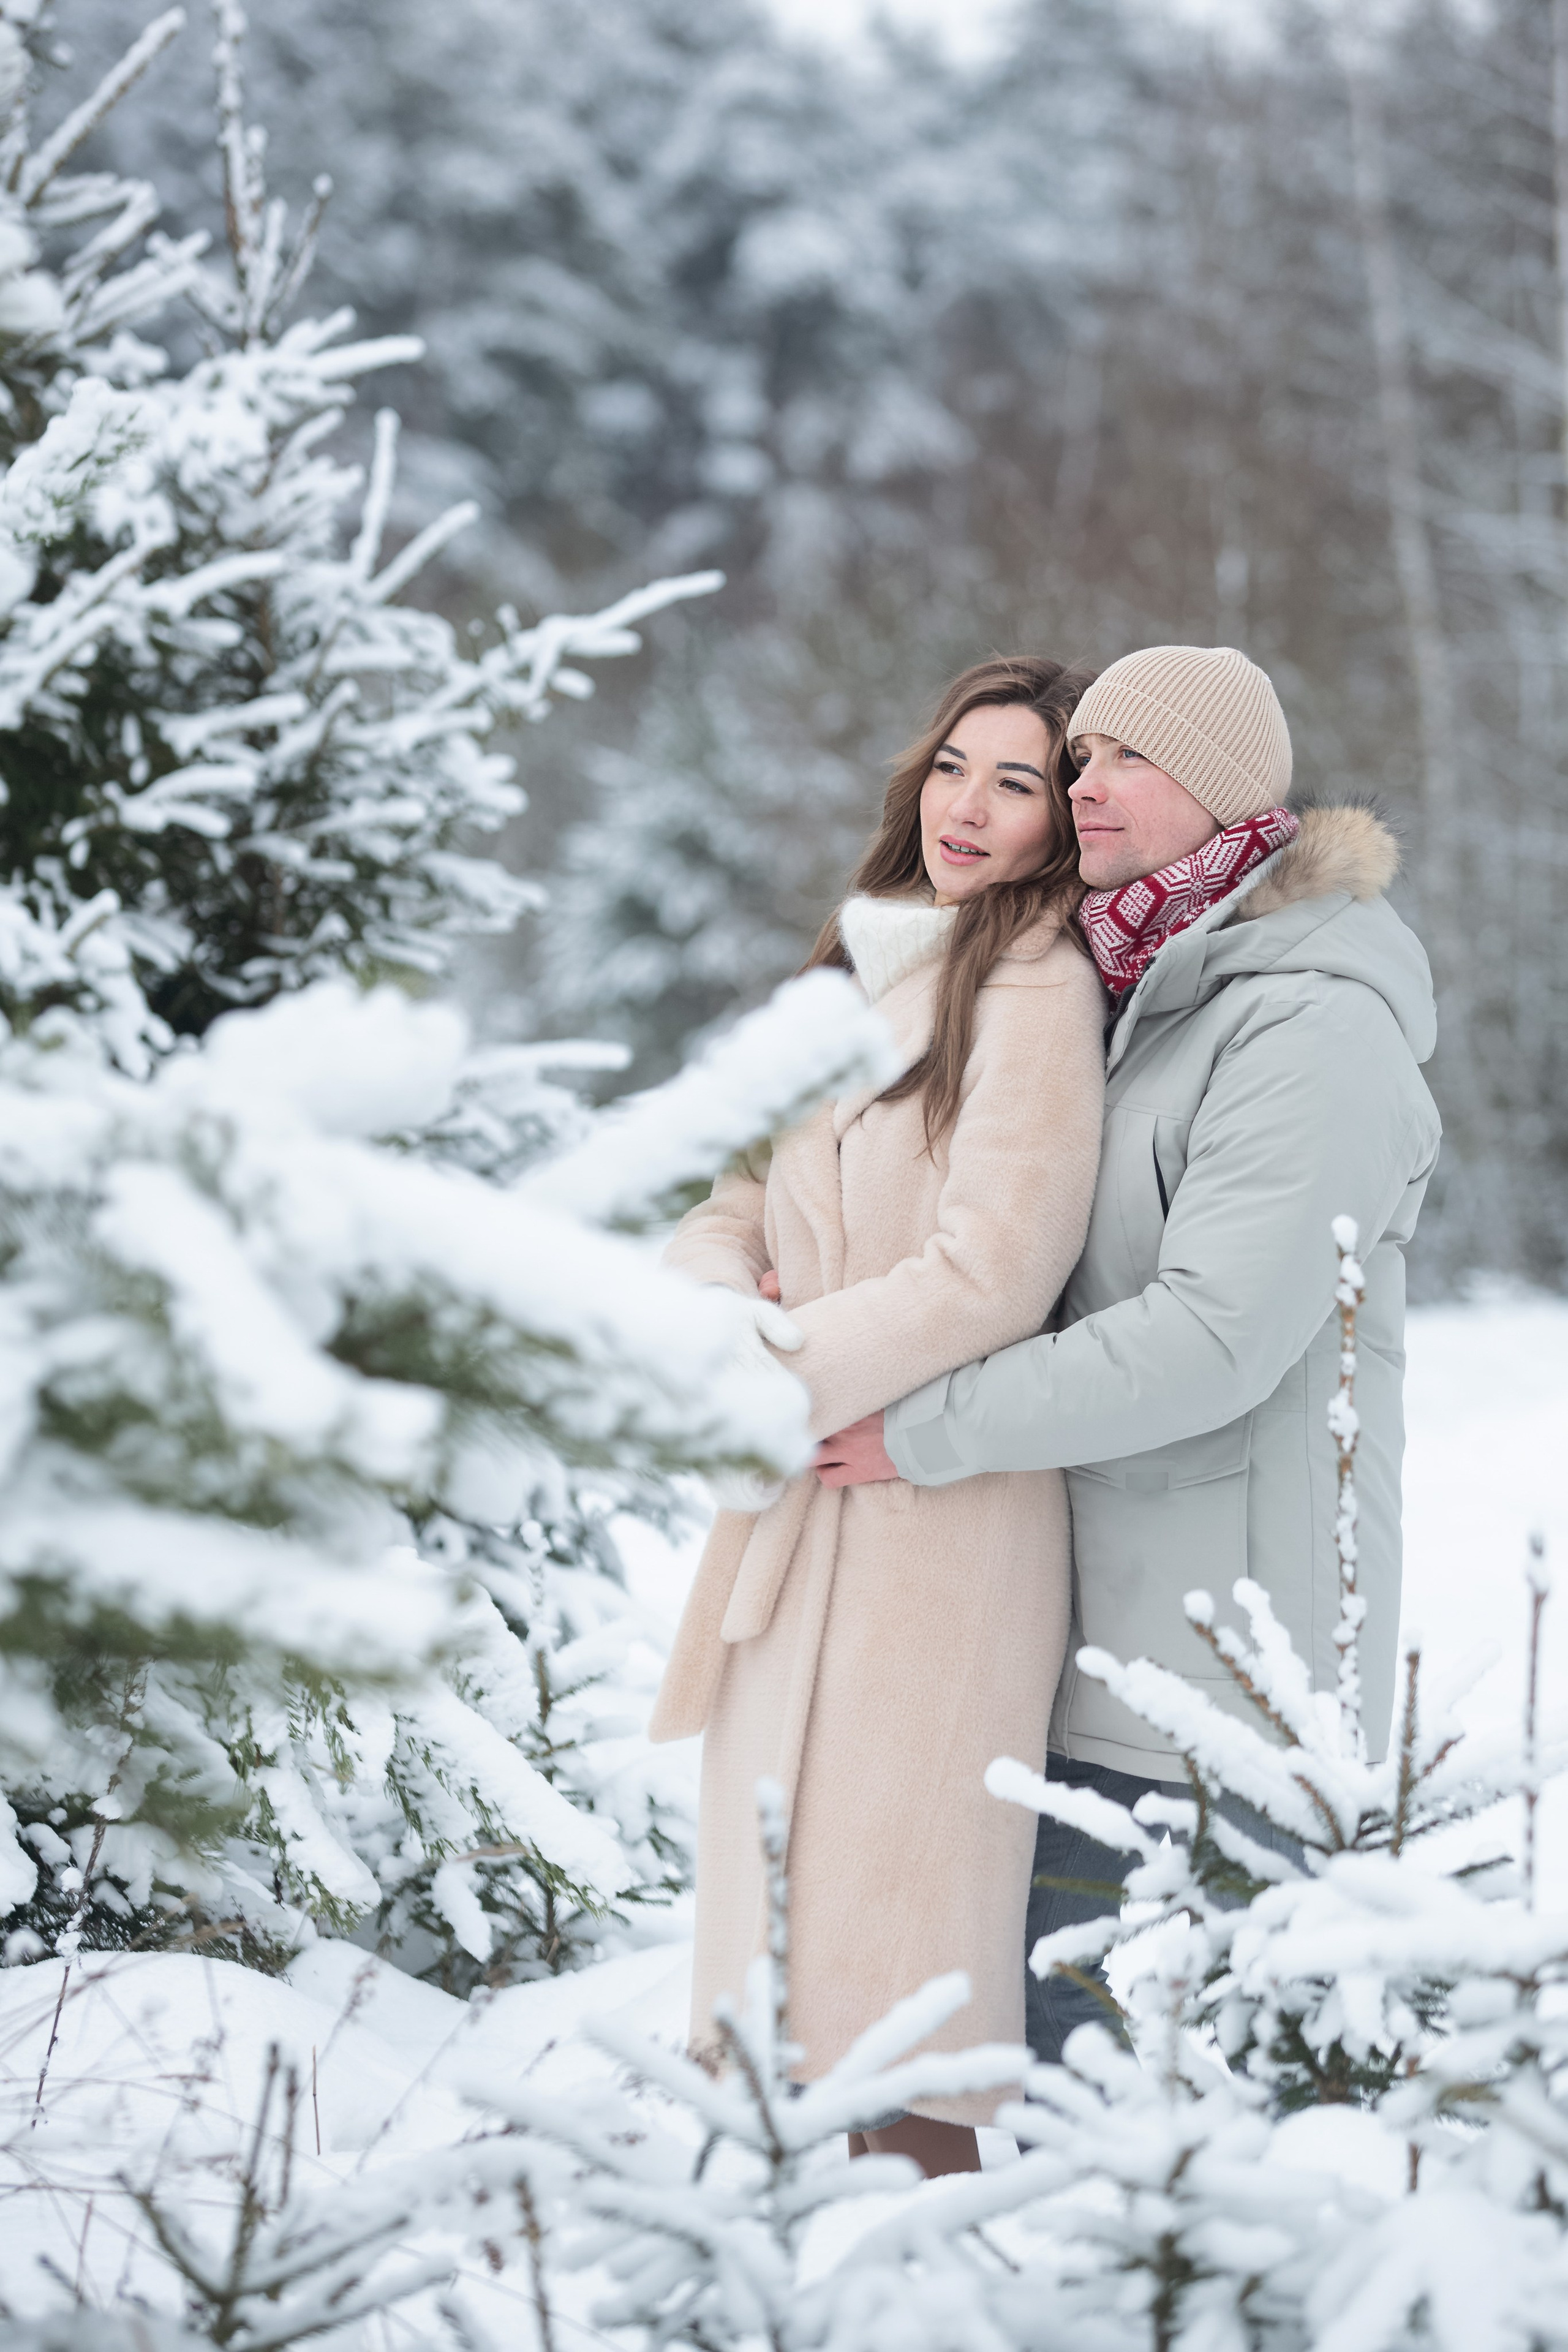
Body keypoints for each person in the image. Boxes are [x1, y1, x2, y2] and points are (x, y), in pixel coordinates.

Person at [813, 643, 1442, 2065]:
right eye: (1079, 756)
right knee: (1050, 2106)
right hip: (1089, 1647)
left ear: (1223, 795)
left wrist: (918, 1426)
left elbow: (1210, 1339)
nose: (1086, 782)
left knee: (1175, 2137)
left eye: (1126, 757)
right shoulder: (1142, 991)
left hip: (1223, 1693)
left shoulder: (1309, 1023)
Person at [649, 655, 1108, 2174]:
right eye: (954, 768)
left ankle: (929, 2289)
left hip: (929, 1527)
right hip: (798, 1502)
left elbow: (993, 1267)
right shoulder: (848, 972)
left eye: (1017, 782)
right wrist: (729, 1330)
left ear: (1058, 821)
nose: (968, 809)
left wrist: (780, 1375)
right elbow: (727, 1198)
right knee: (787, 1969)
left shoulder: (1032, 987)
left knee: (902, 1972)